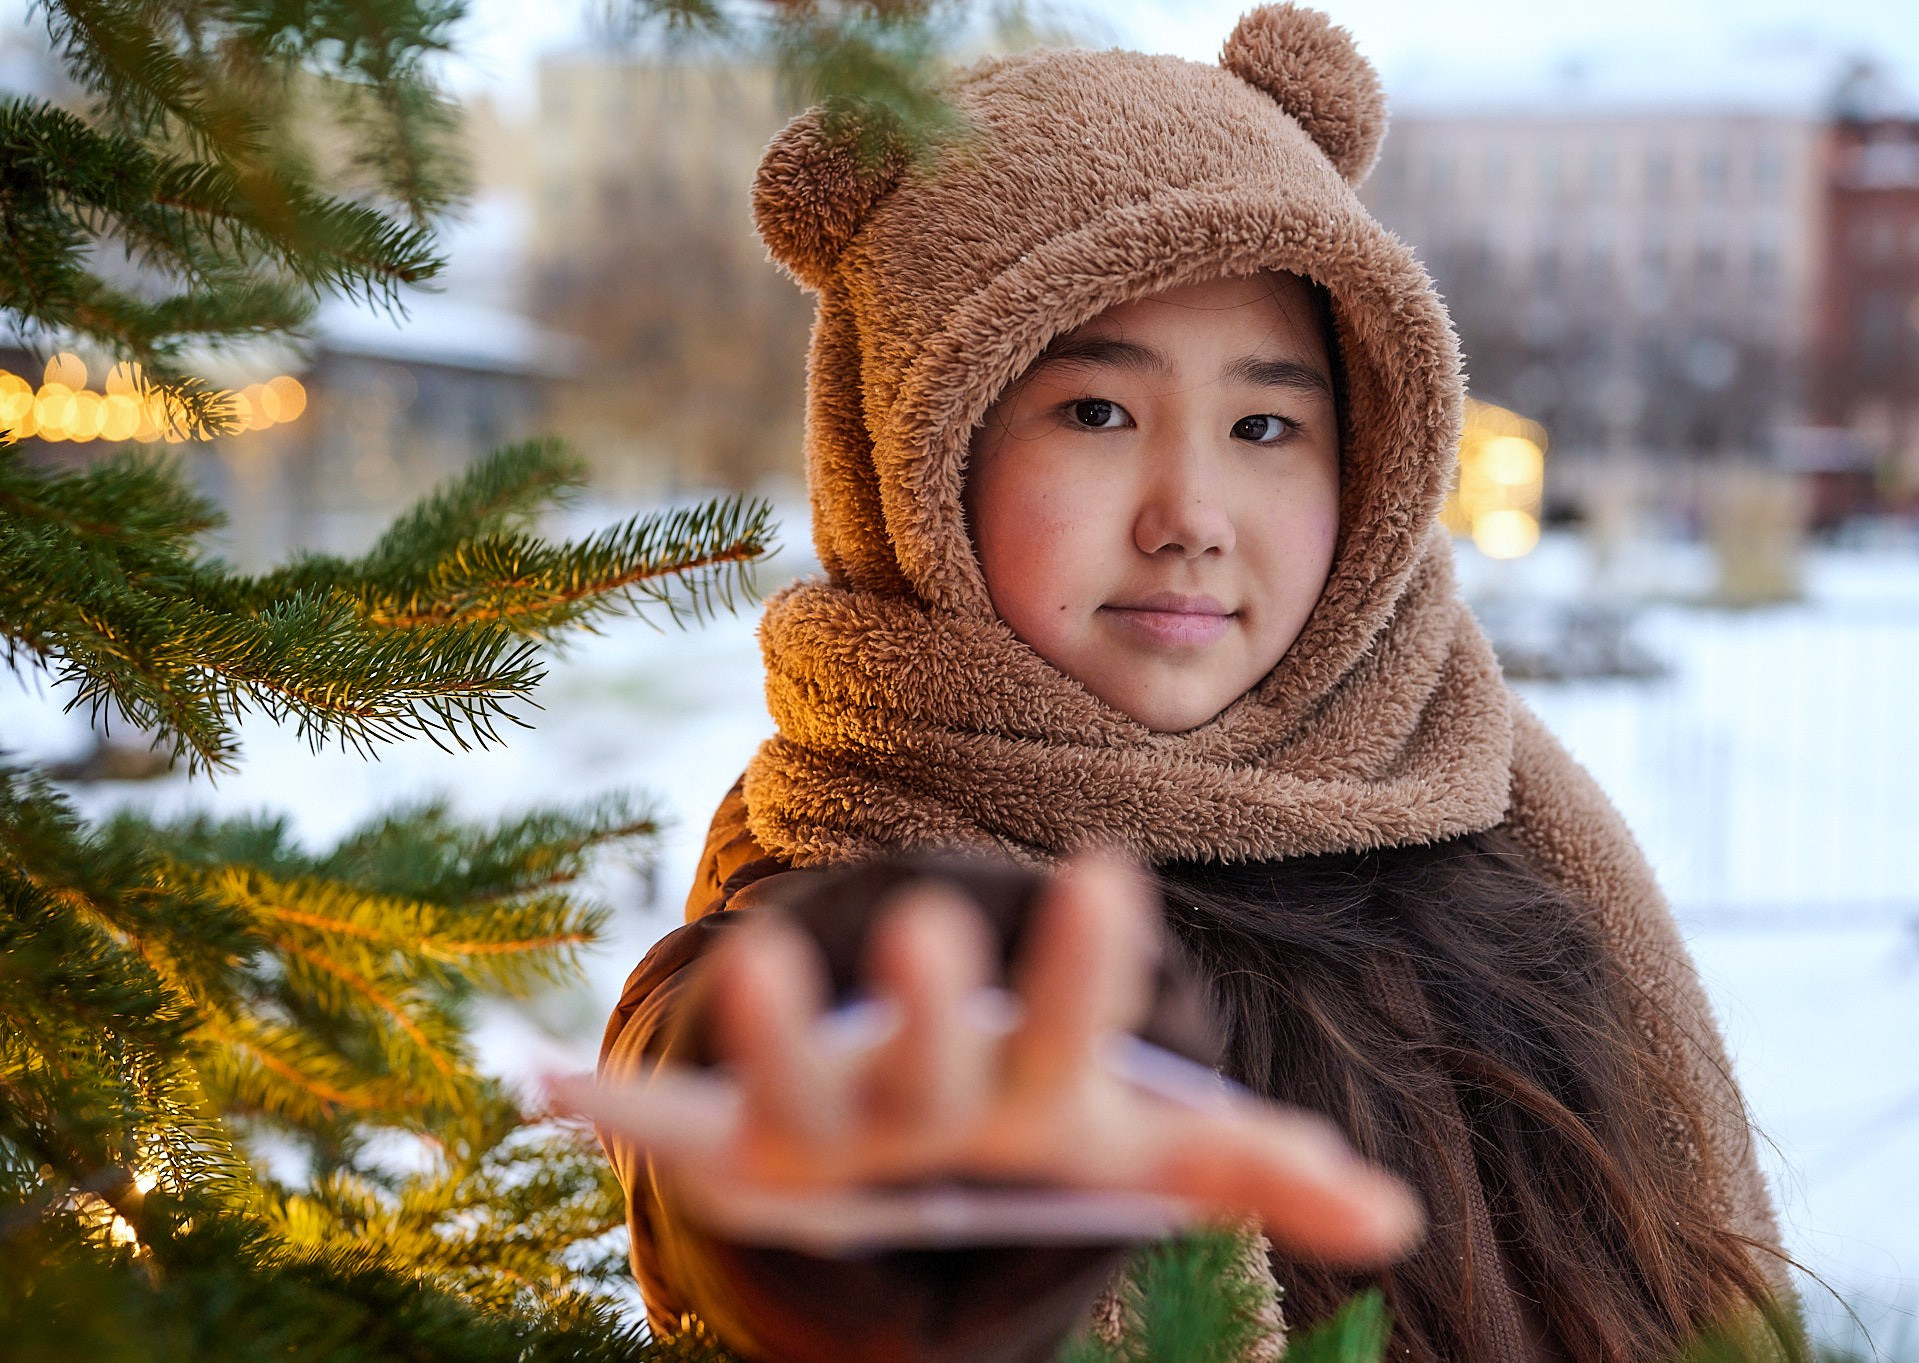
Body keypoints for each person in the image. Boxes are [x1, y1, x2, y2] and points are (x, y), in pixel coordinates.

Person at [555, 7, 1791, 1361]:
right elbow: (760, 1064)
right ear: (912, 456)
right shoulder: (837, 873)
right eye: (1095, 414)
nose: (1191, 514)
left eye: (1266, 425)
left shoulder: (1491, 821)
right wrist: (868, 1187)